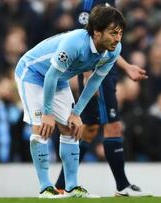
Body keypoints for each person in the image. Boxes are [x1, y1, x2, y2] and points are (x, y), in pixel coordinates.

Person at [14, 5, 126, 198]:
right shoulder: (75, 43)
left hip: (58, 79)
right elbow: (50, 75)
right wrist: (47, 113)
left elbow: (94, 82)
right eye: (113, 33)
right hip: (32, 73)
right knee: (42, 127)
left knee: (72, 128)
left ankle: (71, 187)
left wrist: (77, 113)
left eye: (120, 33)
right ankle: (45, 188)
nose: (117, 39)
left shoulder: (113, 50)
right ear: (97, 33)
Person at [52, 0, 150, 197]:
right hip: (97, 72)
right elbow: (86, 38)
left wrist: (127, 66)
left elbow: (109, 44)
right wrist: (88, 73)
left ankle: (61, 185)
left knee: (89, 129)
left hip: (107, 67)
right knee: (113, 125)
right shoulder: (89, 3)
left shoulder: (110, 2)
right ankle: (122, 186)